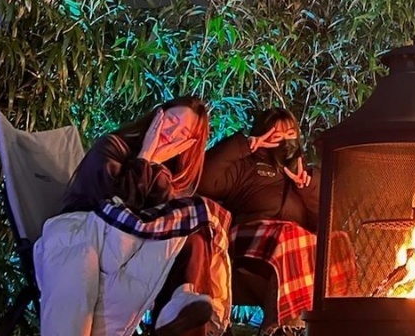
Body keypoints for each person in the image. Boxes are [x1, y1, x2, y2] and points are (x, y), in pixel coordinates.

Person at [47, 96, 221, 336]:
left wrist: (155, 165)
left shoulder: (163, 174)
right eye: (172, 121)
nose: (172, 134)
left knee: (194, 233)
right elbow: (115, 208)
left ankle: (182, 297)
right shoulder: (111, 147)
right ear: (158, 115)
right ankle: (179, 300)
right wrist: (146, 157)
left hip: (126, 249)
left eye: (183, 133)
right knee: (190, 229)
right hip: (91, 230)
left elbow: (159, 221)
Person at [197, 107, 324, 325]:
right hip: (249, 243)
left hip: (294, 250)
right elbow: (205, 180)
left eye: (290, 133)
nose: (285, 141)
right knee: (289, 236)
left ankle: (334, 324)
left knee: (335, 243)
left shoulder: (306, 174)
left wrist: (306, 187)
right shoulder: (246, 166)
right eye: (277, 135)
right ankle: (284, 328)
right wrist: (243, 146)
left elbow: (324, 220)